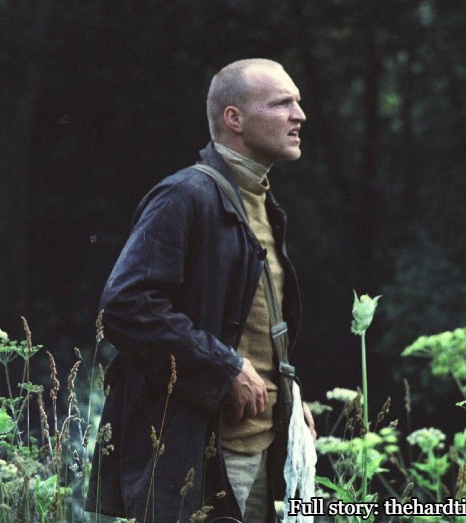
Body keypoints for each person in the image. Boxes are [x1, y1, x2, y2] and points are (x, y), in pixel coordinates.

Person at [86, 58, 316, 522]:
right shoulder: (185, 195)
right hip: (204, 456)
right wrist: (223, 367)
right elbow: (127, 306)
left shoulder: (260, 201)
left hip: (263, 449)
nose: (300, 115)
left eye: (297, 102)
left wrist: (287, 394)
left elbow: (250, 325)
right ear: (235, 118)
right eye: (281, 104)